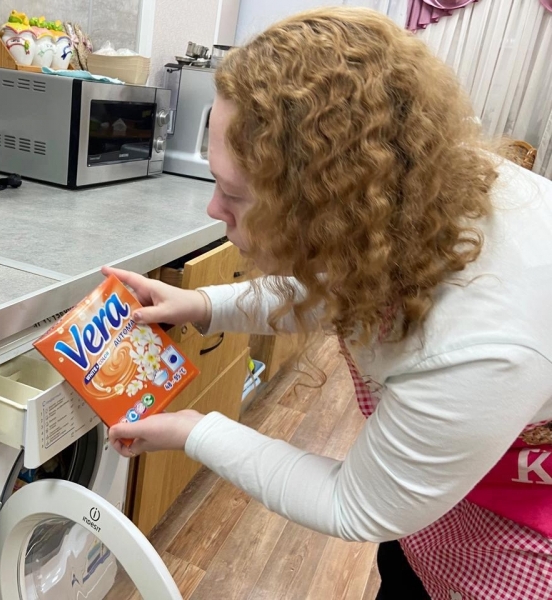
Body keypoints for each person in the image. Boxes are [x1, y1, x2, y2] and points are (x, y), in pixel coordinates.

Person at [103, 7, 552, 600]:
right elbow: (338, 280)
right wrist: (202, 304)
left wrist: (195, 431)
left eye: (234, 194)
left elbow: (355, 504)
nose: (214, 210)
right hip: (445, 489)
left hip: (521, 530)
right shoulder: (408, 192)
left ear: (322, 207)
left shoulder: (479, 344)